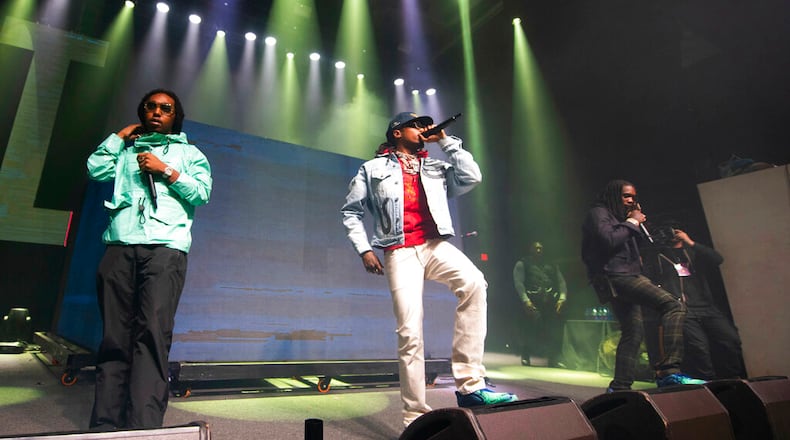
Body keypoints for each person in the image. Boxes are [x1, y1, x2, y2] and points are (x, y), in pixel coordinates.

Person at [341, 112, 517, 428]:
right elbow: (351, 212)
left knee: (475, 283)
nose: (424, 129)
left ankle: (471, 386)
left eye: (426, 125)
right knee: (410, 331)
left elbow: (472, 177)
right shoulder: (372, 169)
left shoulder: (434, 166)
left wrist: (445, 141)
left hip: (433, 245)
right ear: (397, 132)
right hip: (399, 249)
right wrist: (365, 249)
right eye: (416, 125)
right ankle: (415, 417)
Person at [86, 89, 212, 430]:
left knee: (152, 335)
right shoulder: (126, 151)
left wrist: (166, 170)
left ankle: (144, 425)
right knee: (114, 337)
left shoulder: (190, 154)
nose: (157, 111)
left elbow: (202, 192)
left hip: (164, 250)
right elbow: (96, 170)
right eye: (150, 106)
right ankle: (105, 425)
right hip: (120, 247)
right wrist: (119, 136)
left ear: (176, 115)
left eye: (165, 108)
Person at [580, 180, 704, 392]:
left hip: (626, 275)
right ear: (613, 195)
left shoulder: (621, 218)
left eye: (633, 197)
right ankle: (668, 371)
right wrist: (632, 222)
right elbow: (609, 240)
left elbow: (641, 244)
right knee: (674, 306)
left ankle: (619, 386)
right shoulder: (598, 213)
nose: (631, 201)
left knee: (633, 332)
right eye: (626, 196)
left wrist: (637, 223)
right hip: (617, 276)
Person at [641, 224, 744, 380]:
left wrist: (690, 242)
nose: (672, 235)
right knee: (699, 348)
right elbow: (648, 276)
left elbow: (717, 259)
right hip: (683, 310)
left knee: (731, 340)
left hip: (706, 307)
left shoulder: (693, 253)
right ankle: (707, 383)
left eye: (675, 231)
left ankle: (734, 379)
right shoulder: (660, 257)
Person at [512, 241, 567, 367]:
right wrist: (526, 300)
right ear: (531, 249)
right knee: (529, 329)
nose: (538, 250)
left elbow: (561, 282)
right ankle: (525, 355)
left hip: (548, 301)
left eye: (540, 248)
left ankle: (553, 359)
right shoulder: (523, 263)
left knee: (552, 330)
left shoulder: (551, 265)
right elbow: (519, 283)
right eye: (536, 248)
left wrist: (562, 298)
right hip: (532, 300)